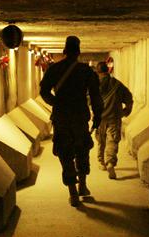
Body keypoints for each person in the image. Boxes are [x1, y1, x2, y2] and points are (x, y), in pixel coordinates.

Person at [40, 36, 103, 207]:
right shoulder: (86, 71)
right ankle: (82, 185)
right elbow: (96, 96)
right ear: (79, 52)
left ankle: (73, 192)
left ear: (64, 51)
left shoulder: (54, 69)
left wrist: (56, 103)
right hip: (80, 117)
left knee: (64, 152)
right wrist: (98, 116)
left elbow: (44, 92)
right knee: (82, 150)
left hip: (61, 117)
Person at [94, 61, 134, 179]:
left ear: (98, 72)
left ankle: (101, 162)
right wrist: (126, 110)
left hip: (99, 119)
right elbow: (128, 97)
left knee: (101, 140)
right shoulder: (117, 84)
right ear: (108, 70)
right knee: (112, 140)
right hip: (114, 118)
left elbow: (88, 99)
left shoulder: (94, 84)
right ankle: (110, 162)